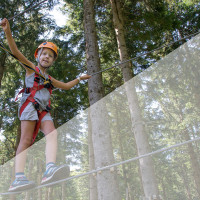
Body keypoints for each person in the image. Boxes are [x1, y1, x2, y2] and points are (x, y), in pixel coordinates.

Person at [0, 18, 91, 192]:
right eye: (44, 54)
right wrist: (7, 31)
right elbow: (15, 51)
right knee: (26, 140)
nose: (47, 57)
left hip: (42, 111)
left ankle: (50, 168)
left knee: (52, 133)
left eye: (50, 56)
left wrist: (79, 78)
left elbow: (65, 86)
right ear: (38, 56)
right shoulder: (30, 69)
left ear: (52, 61)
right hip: (29, 106)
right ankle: (18, 178)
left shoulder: (49, 79)